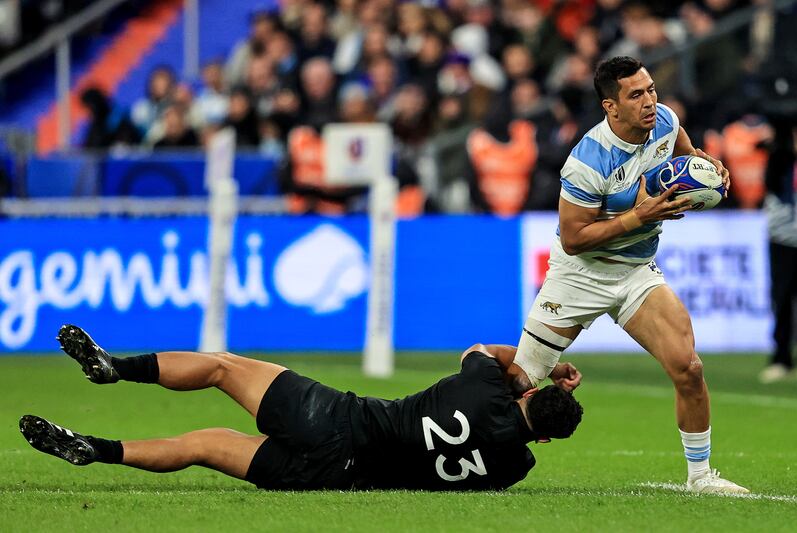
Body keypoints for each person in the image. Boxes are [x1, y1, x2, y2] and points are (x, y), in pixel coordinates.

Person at [509, 56, 749, 494]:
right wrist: (638, 217)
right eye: (636, 95)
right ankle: (468, 447)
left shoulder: (666, 122)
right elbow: (575, 238)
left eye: (651, 89)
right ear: (611, 106)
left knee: (689, 368)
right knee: (520, 381)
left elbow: (684, 152)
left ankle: (700, 477)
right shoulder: (587, 161)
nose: (650, 101)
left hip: (635, 271)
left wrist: (707, 169)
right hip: (579, 275)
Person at [20, 325, 583, 491]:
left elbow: (479, 350)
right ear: (546, 440)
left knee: (221, 367)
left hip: (337, 420)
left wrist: (542, 366)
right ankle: (92, 449)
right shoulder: (514, 468)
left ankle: (115, 368)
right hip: (333, 477)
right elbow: (505, 441)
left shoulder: (484, 387)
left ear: (530, 393)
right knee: (201, 445)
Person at [759, 120, 797, 383]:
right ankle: (781, 357)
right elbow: (771, 187)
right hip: (783, 239)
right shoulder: (780, 160)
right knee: (782, 299)